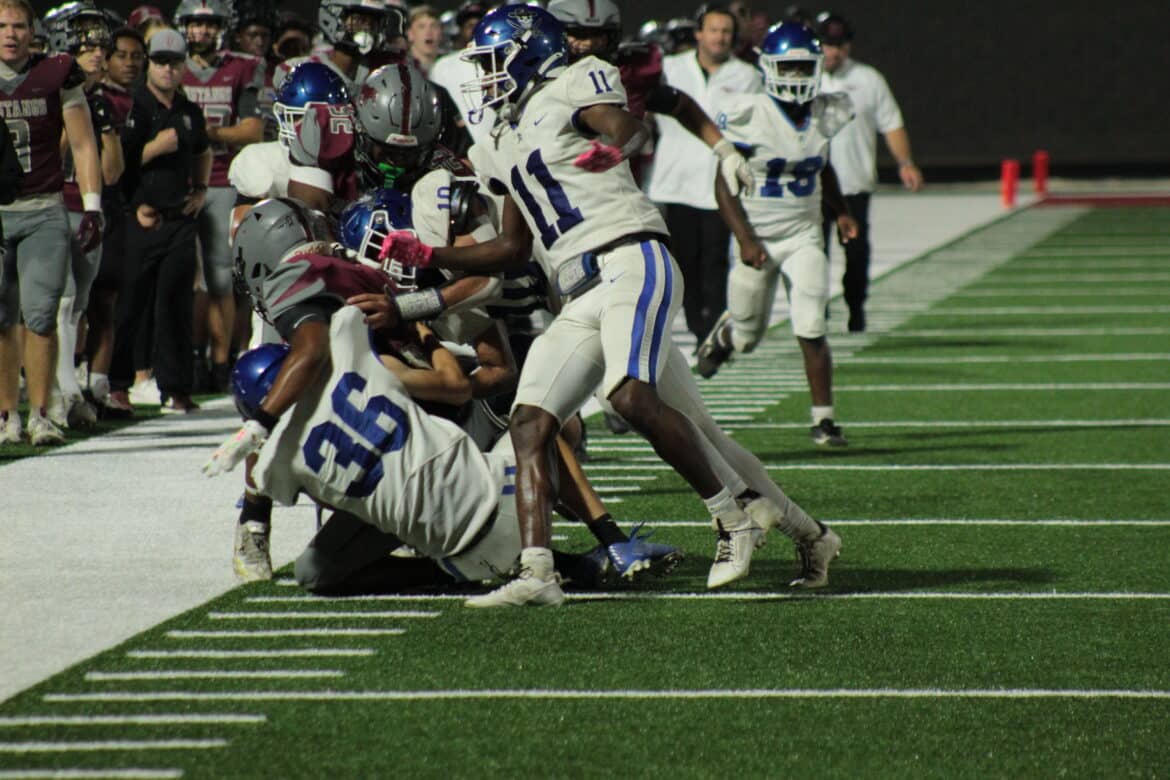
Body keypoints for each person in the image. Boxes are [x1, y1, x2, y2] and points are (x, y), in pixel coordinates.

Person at [381, 5, 840, 604]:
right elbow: (513, 248)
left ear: (527, 53)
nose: (486, 77)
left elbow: (629, 127)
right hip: (581, 293)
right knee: (532, 423)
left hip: (630, 260)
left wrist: (615, 148)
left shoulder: (573, 82)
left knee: (628, 396)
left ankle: (732, 518)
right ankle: (540, 574)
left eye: (494, 61)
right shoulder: (501, 139)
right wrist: (430, 254)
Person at [236, 307, 631, 597]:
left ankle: (446, 572)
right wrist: (419, 328)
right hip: (506, 494)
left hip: (457, 558)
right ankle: (610, 538)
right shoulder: (353, 359)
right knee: (536, 430)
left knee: (313, 571)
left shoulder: (275, 464)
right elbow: (454, 383)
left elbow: (321, 495)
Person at [696, 22, 857, 448]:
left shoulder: (825, 112)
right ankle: (726, 336)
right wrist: (745, 239)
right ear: (768, 67)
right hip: (757, 236)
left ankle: (824, 420)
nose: (798, 77)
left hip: (803, 234)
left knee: (812, 322)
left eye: (804, 68)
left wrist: (841, 211)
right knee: (748, 338)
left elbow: (822, 167)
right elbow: (723, 182)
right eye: (789, 67)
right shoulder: (749, 113)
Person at [0, 0, 103, 446]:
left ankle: (41, 413)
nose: (10, 34)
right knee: (1, 318)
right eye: (1, 26)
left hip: (42, 207)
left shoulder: (56, 73)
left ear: (32, 31)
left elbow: (82, 144)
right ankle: (6, 415)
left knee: (41, 315)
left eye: (18, 26)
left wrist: (93, 204)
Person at [645, 2, 761, 344]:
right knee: (686, 264)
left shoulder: (748, 76)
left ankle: (713, 331)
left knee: (716, 261)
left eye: (726, 31)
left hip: (720, 182)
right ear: (699, 33)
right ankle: (699, 326)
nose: (719, 37)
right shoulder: (669, 68)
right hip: (675, 180)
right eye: (713, 30)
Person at [114, 27, 210, 414]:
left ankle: (177, 389)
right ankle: (118, 385)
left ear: (183, 66)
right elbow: (116, 165)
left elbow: (203, 150)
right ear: (149, 65)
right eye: (160, 62)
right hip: (138, 218)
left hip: (179, 218)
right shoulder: (133, 106)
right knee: (130, 304)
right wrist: (155, 148)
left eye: (174, 62)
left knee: (176, 305)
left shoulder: (188, 110)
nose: (168, 69)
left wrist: (201, 189)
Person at [174, 0, 265, 392]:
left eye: (210, 24)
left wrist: (203, 133)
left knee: (221, 279)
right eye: (195, 23)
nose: (202, 31)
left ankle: (220, 361)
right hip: (178, 183)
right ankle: (188, 357)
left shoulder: (241, 67)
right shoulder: (171, 65)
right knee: (181, 279)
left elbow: (252, 131)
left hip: (223, 181)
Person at [44, 2, 124, 430]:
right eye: (87, 45)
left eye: (101, 46)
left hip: (89, 207)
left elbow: (112, 172)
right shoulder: (45, 92)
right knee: (60, 302)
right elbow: (49, 159)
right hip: (53, 205)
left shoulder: (102, 101)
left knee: (77, 306)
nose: (97, 54)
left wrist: (105, 127)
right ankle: (64, 394)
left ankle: (64, 386)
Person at [816, 10, 923, 333]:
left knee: (856, 254)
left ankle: (855, 307)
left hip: (853, 184)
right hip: (812, 186)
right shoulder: (804, 76)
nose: (833, 52)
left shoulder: (868, 79)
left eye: (840, 45)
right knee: (813, 254)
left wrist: (905, 163)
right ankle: (815, 312)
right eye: (828, 44)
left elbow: (891, 123)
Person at [93, 26, 145, 416]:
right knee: (71, 303)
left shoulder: (138, 102)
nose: (129, 63)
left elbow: (122, 170)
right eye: (120, 55)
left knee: (109, 299)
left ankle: (102, 385)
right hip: (76, 200)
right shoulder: (84, 97)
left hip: (119, 206)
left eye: (136, 56)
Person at [405, 5, 441, 76]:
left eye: (433, 26)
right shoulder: (401, 69)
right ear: (410, 34)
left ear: (440, 32)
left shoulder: (448, 66)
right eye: (421, 27)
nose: (428, 32)